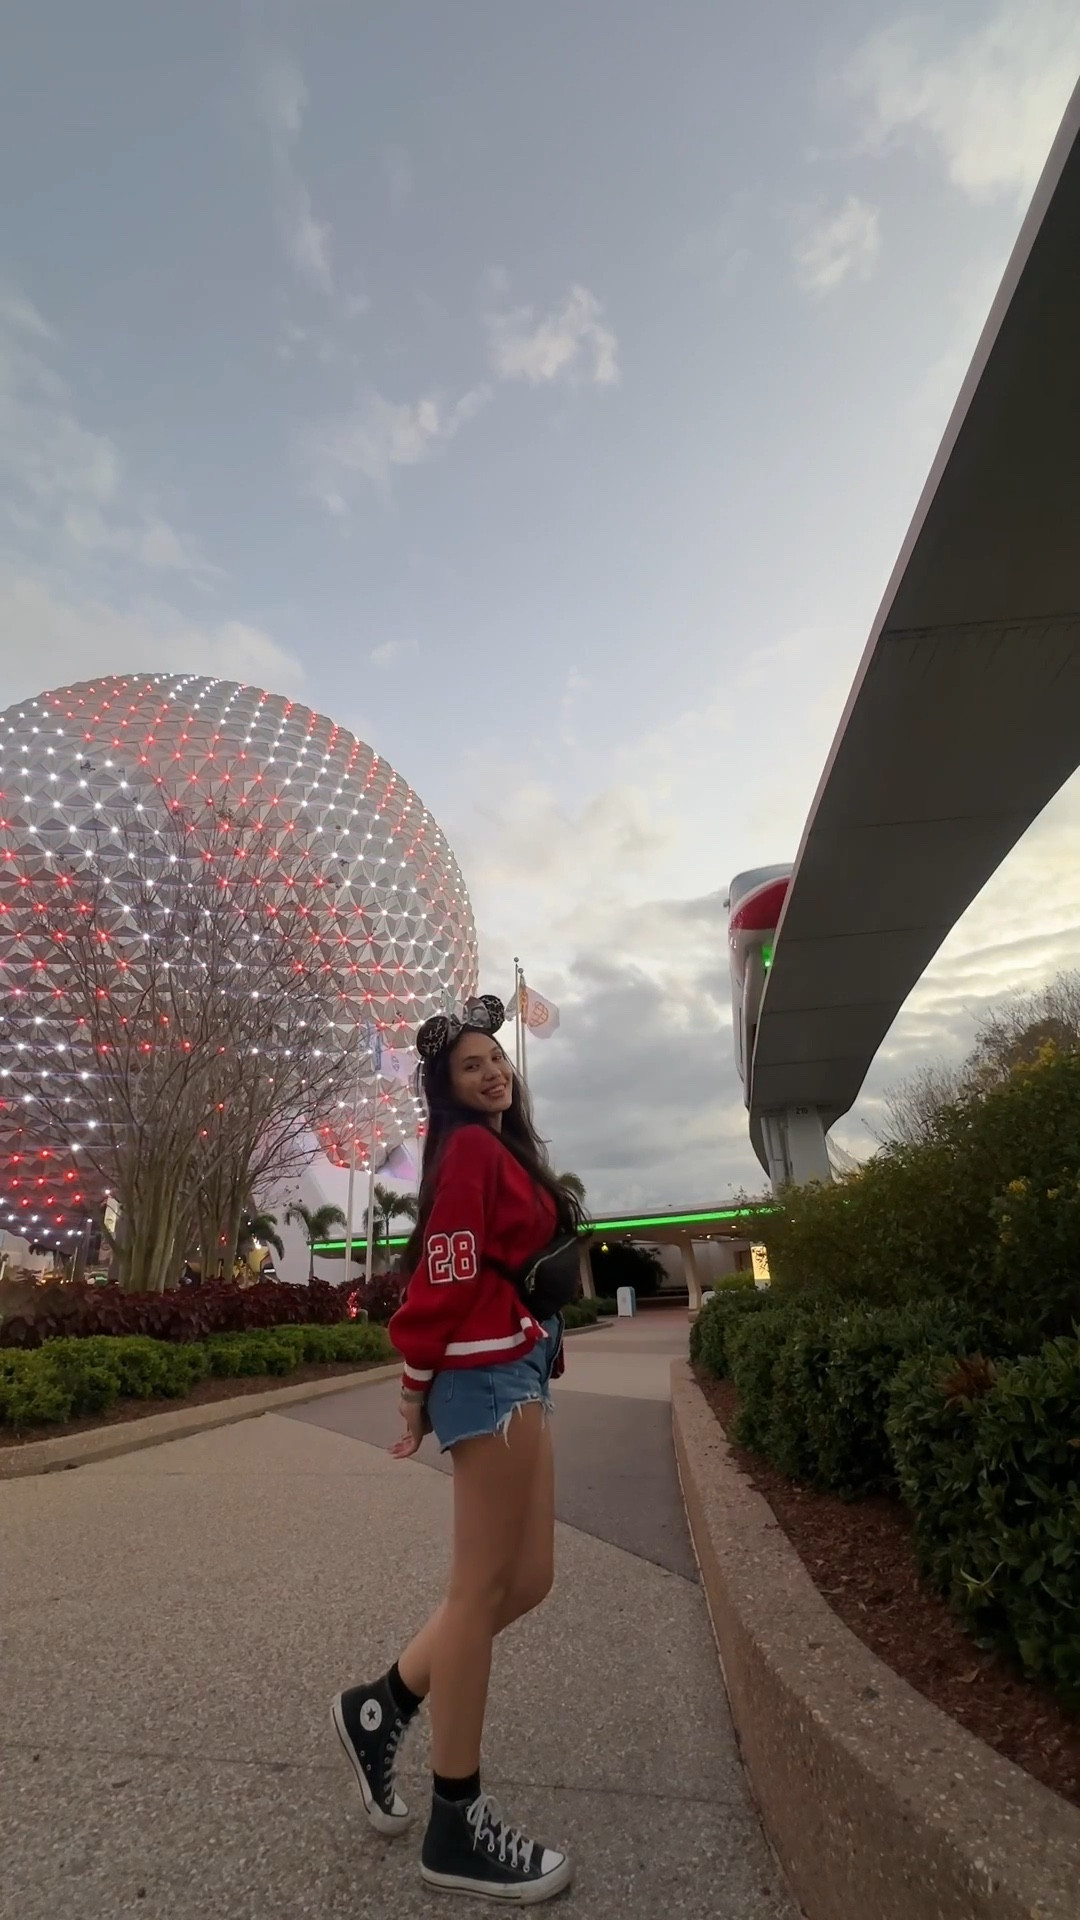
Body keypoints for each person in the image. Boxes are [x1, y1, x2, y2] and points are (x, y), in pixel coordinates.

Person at [330, 994, 583, 1903]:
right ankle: (455, 1822)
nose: (491, 1072)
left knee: (530, 1580)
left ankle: (382, 1705)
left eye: (495, 1059)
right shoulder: (470, 1149)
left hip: (520, 1369)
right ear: (446, 1088)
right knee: (478, 1592)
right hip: (482, 1374)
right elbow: (448, 1258)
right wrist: (413, 1381)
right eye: (470, 1065)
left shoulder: (504, 1145)